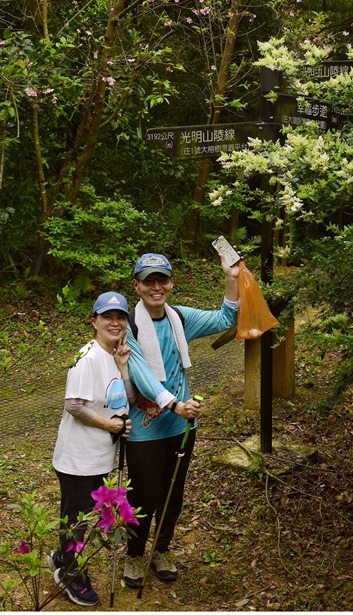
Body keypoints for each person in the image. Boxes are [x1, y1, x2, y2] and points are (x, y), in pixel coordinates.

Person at [121, 252, 240, 588]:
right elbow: (142, 376)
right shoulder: (129, 325)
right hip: (146, 428)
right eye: (149, 281)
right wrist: (174, 405)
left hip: (181, 426)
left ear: (171, 283)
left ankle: (161, 550)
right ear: (137, 286)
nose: (156, 287)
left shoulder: (180, 319)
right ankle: (134, 554)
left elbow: (224, 320)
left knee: (173, 493)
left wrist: (231, 278)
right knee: (143, 494)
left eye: (162, 280)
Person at [49, 292, 134, 607]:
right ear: (94, 321)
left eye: (120, 317)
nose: (115, 322)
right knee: (77, 520)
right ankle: (69, 573)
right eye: (107, 317)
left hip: (98, 457)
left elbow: (124, 400)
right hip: (77, 459)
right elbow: (74, 406)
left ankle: (62, 558)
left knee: (81, 516)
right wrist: (109, 426)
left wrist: (123, 367)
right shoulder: (87, 357)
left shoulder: (114, 354)